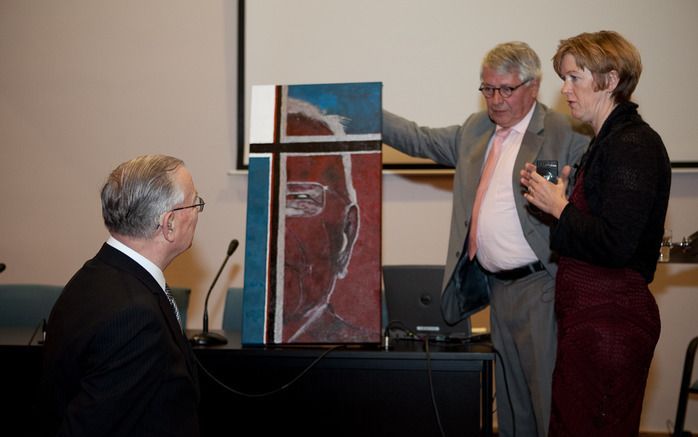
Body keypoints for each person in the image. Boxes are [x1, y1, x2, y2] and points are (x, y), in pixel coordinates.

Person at [382, 42, 589, 437]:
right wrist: (368, 113)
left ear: (533, 86)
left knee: (547, 402)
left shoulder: (565, 133)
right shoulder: (476, 130)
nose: (495, 100)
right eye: (487, 89)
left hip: (541, 287)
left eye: (505, 90)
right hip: (496, 290)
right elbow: (418, 138)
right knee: (511, 407)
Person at [520, 31, 671, 436]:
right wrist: (553, 204)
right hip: (593, 323)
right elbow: (598, 232)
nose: (565, 90)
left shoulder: (633, 143)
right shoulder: (608, 141)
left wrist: (561, 207)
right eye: (563, 79)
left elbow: (617, 244)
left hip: (610, 325)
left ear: (610, 79)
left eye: (574, 78)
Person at [40, 154, 203, 436]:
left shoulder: (93, 275)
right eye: (195, 202)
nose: (199, 211)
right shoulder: (136, 317)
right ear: (170, 223)